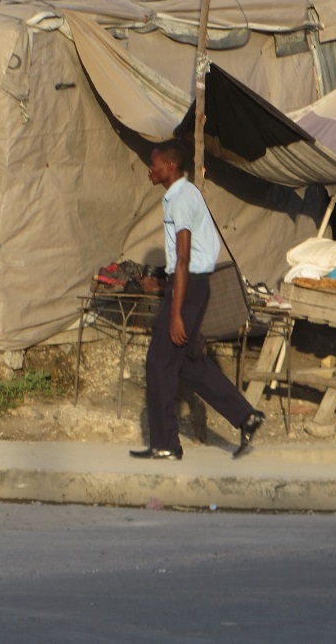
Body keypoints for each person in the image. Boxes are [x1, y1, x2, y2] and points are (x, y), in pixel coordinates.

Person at [129, 140, 264, 460]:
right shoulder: (186, 195)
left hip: (187, 289)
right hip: (190, 285)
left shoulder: (180, 200)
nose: (150, 169)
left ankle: (165, 444)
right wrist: (163, 283)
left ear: (170, 166)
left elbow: (185, 254)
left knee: (159, 363)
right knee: (188, 362)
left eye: (154, 163)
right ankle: (246, 417)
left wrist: (175, 312)